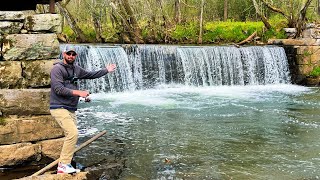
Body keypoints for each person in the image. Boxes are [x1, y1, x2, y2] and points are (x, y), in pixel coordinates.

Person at [49, 45, 116, 174]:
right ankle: (63, 165)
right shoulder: (57, 69)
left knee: (71, 135)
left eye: (73, 54)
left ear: (76, 56)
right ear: (64, 54)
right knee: (73, 133)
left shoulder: (76, 69)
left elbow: (91, 74)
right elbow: (58, 89)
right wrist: (78, 92)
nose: (71, 56)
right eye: (69, 54)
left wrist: (106, 70)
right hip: (59, 107)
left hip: (70, 108)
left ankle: (68, 162)